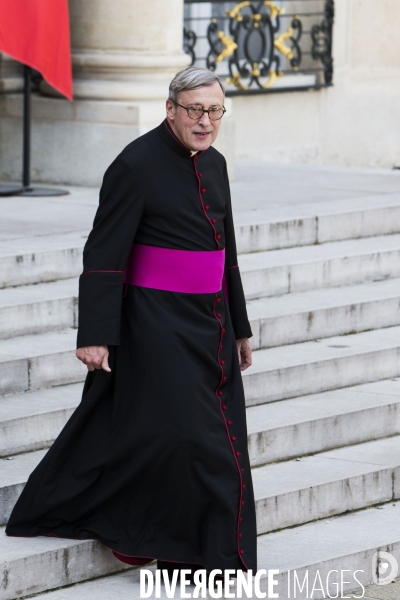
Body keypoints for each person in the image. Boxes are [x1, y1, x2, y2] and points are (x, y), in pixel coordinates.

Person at [6, 66, 257, 577]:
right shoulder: (135, 164)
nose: (206, 121)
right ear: (170, 109)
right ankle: (198, 553)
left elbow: (226, 253)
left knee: (178, 436)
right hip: (156, 323)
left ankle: (174, 544)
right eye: (195, 110)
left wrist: (242, 324)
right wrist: (96, 334)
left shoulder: (217, 164)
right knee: (197, 440)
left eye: (215, 111)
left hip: (211, 323)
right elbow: (103, 254)